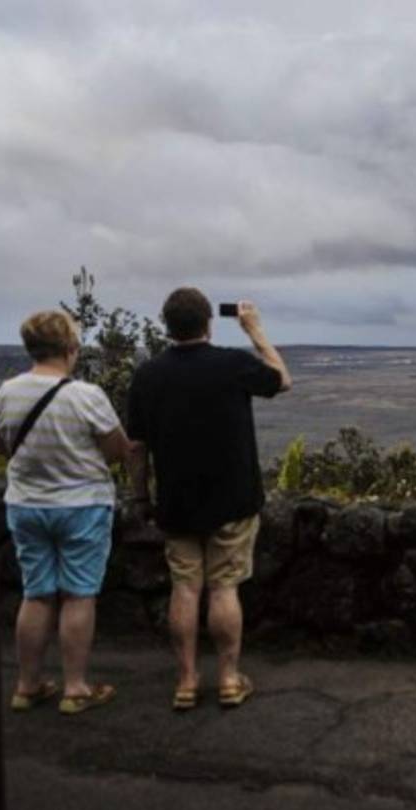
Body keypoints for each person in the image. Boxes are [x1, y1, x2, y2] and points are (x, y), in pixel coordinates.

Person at [127, 288, 290, 711]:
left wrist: (139, 496)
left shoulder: (147, 376)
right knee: (223, 588)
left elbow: (137, 446)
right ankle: (230, 679)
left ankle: (186, 681)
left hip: (177, 502)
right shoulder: (232, 365)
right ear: (208, 323)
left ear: (167, 325)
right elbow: (281, 380)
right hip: (233, 499)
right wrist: (255, 331)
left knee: (184, 587)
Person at [0, 310, 130, 715]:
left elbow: (2, 446)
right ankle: (75, 688)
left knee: (36, 593)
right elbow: (116, 450)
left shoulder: (6, 392)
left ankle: (27, 685)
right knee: (78, 595)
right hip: (81, 505)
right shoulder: (86, 396)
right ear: (71, 347)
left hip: (26, 505)